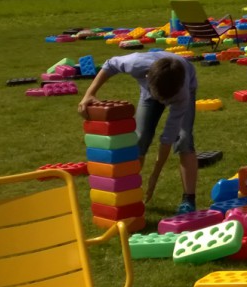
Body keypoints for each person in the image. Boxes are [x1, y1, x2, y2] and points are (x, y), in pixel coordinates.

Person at [78, 53, 200, 214]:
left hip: (181, 89)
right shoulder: (136, 63)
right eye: (160, 98)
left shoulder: (181, 93)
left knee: (184, 139)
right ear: (147, 76)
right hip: (149, 91)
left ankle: (188, 199)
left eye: (165, 100)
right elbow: (110, 63)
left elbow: (167, 138)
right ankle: (127, 194)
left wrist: (154, 176)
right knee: (140, 139)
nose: (163, 103)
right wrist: (89, 93)